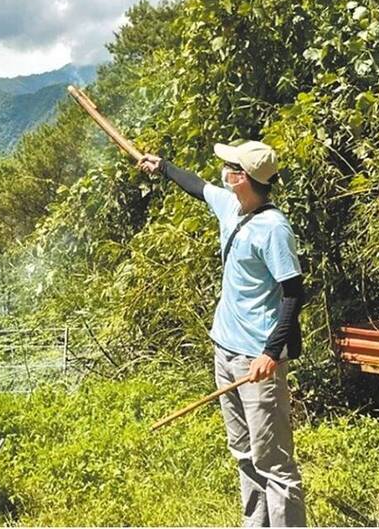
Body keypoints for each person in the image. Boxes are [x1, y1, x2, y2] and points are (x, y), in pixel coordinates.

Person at [138, 140, 306, 527]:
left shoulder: (274, 229)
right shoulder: (231, 205)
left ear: (242, 178)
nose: (222, 171)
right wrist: (161, 165)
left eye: (229, 166)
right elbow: (196, 186)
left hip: (256, 361)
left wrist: (270, 353)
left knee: (274, 462)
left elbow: (294, 294)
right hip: (225, 351)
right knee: (243, 451)